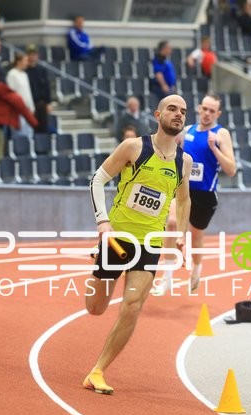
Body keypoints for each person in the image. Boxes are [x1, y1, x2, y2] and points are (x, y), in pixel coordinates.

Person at [83, 94, 192, 394]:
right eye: (172, 109)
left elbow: (184, 201)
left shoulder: (184, 161)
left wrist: (180, 235)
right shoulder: (134, 147)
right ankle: (97, 268)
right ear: (158, 114)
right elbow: (97, 179)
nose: (178, 114)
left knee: (132, 306)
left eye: (183, 111)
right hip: (118, 239)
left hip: (150, 243)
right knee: (95, 308)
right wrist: (102, 222)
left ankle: (98, 370)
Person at [152, 93, 237, 295]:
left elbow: (231, 169)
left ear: (218, 113)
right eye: (204, 109)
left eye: (211, 111)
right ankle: (167, 277)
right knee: (171, 224)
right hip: (183, 189)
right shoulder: (188, 130)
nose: (207, 114)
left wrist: (214, 148)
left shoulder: (221, 133)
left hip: (205, 195)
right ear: (199, 108)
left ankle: (197, 269)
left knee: (196, 237)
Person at [25, 44, 54, 134]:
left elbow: (46, 87)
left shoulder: (42, 70)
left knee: (43, 128)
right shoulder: (24, 71)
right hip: (30, 104)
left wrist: (48, 103)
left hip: (41, 103)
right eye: (30, 54)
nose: (32, 57)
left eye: (34, 54)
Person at [5, 52, 36, 137]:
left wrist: (32, 107)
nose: (27, 63)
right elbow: (11, 93)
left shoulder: (24, 74)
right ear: (18, 62)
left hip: (27, 110)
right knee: (19, 135)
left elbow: (28, 92)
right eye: (25, 60)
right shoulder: (12, 74)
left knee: (29, 134)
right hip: (18, 110)